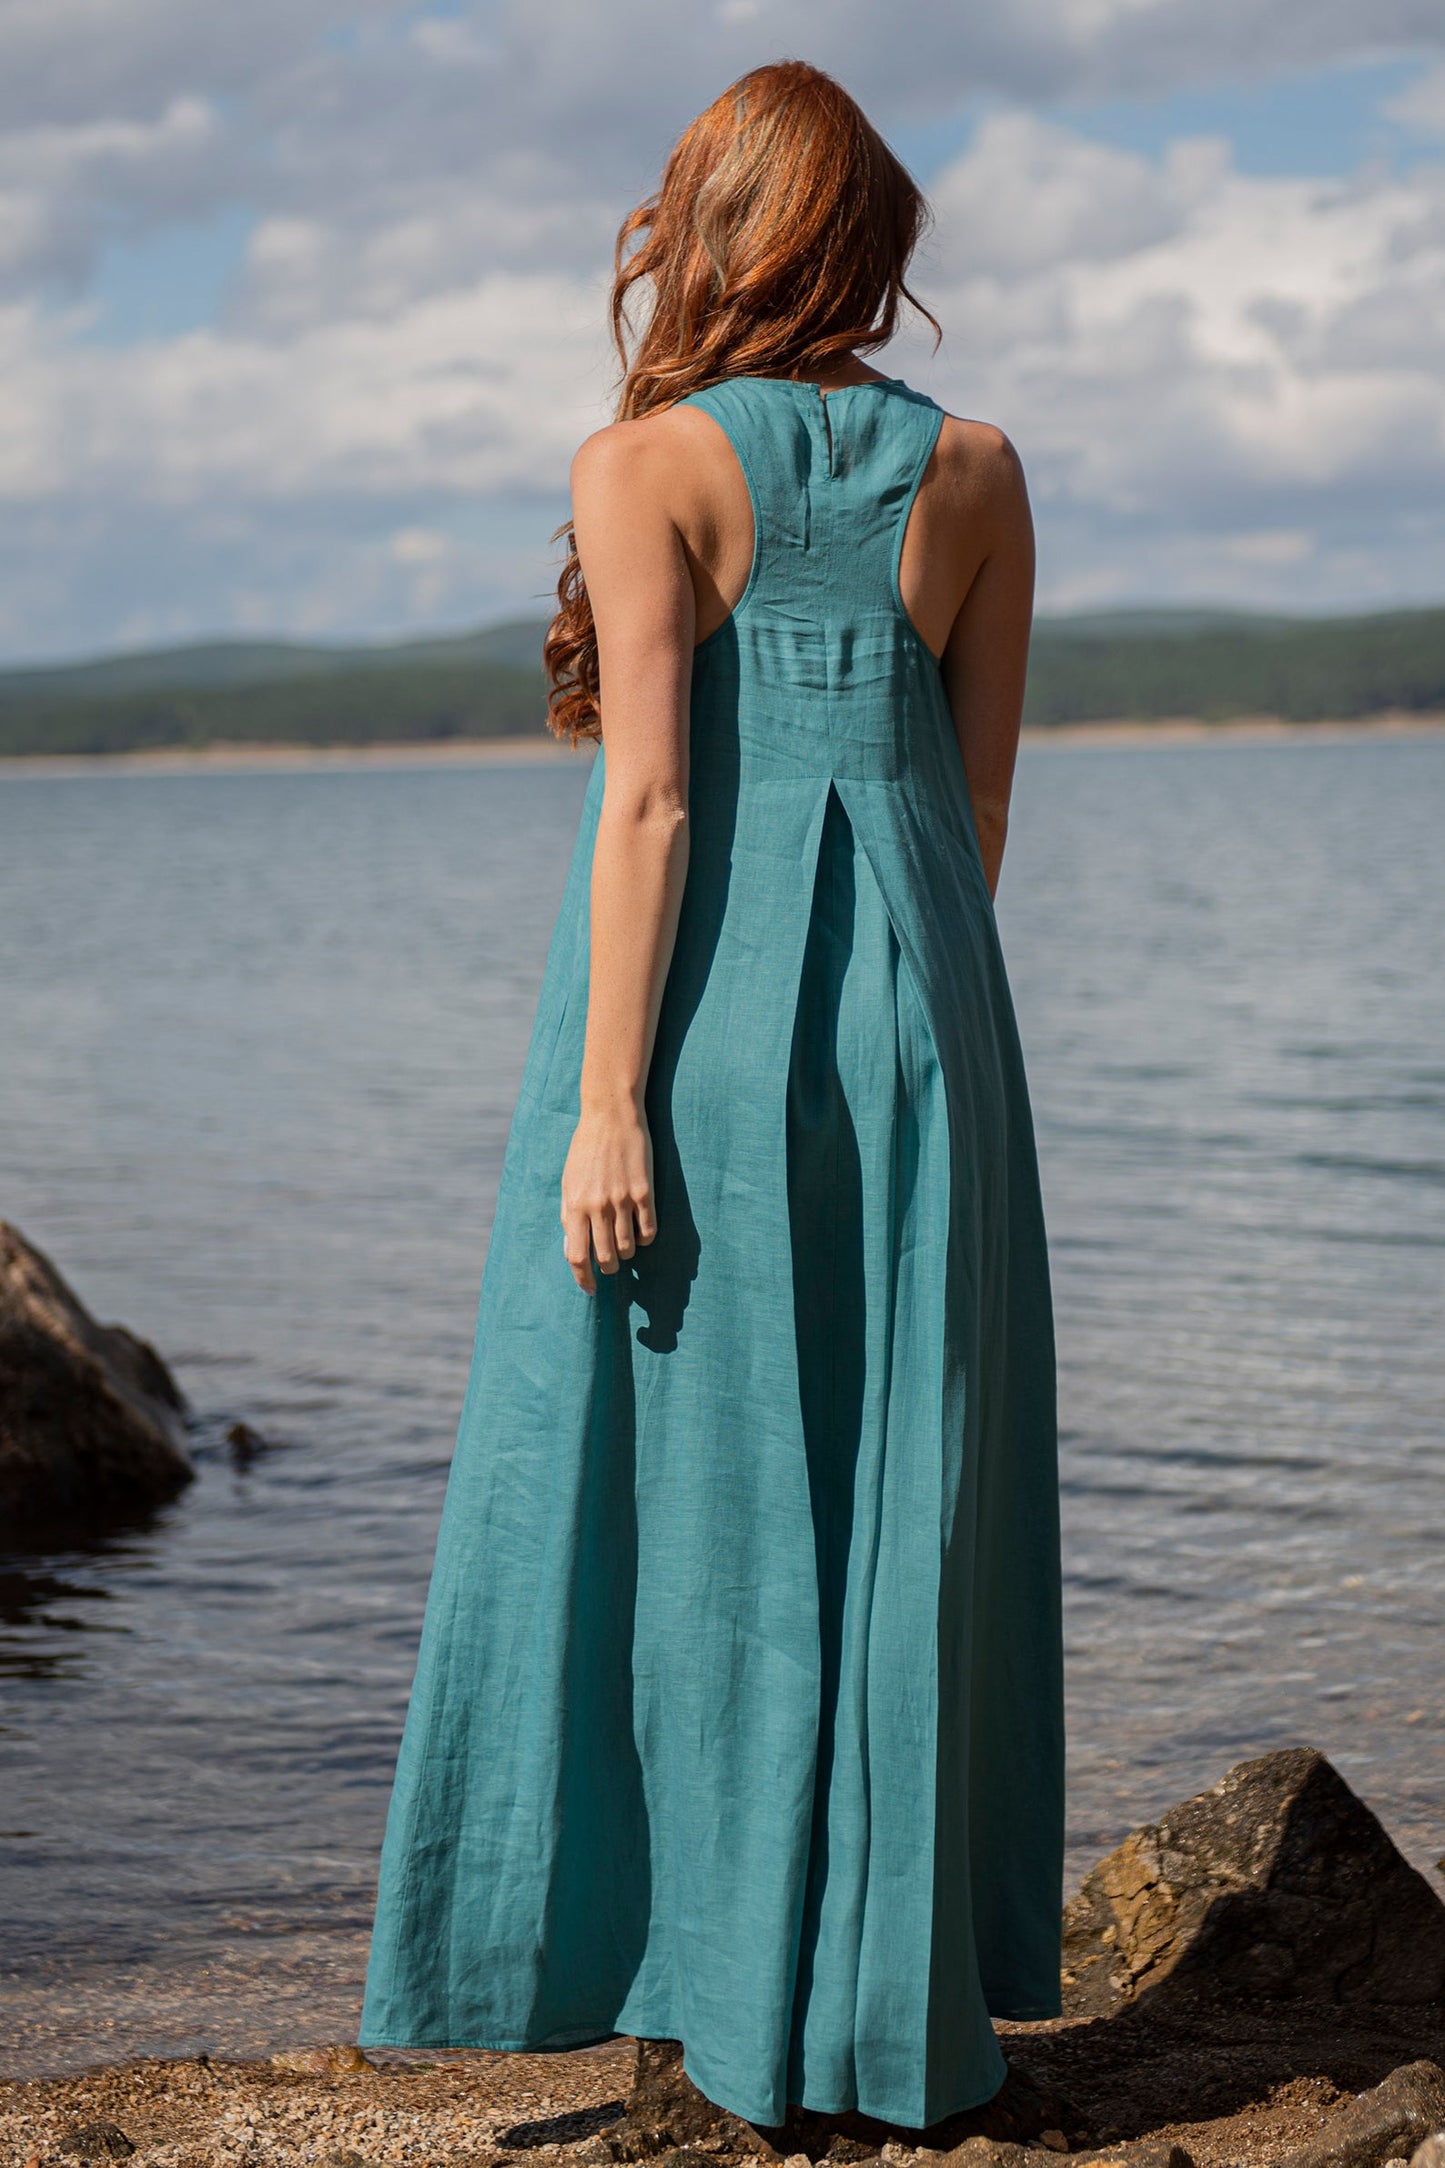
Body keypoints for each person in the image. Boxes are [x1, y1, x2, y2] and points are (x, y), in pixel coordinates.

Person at [359, 57, 1065, 2139]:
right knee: (903, 1503)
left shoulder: (648, 458)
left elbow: (654, 797)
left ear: (710, 225)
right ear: (877, 242)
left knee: (689, 1502)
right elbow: (982, 793)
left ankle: (695, 1989)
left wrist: (609, 1104)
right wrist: (914, 1016)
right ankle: (885, 2020)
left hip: (701, 1028)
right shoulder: (986, 468)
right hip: (934, 1018)